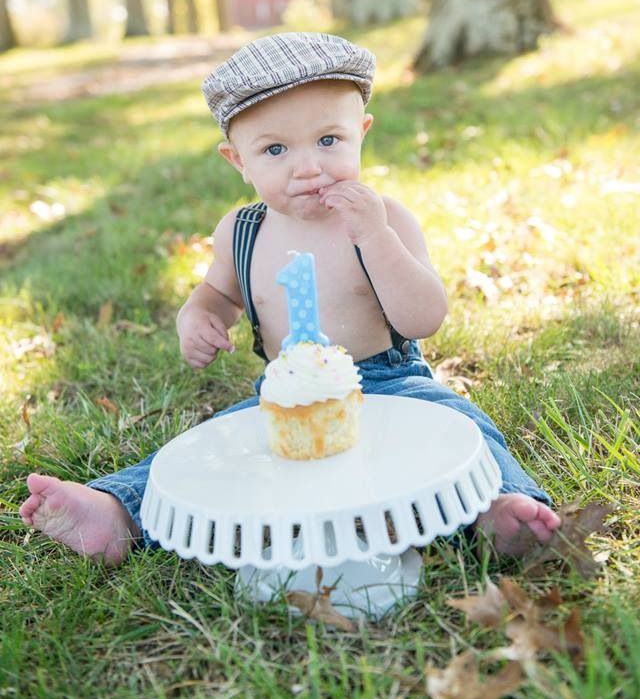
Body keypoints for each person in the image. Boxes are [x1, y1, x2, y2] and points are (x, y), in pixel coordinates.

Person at [20, 32, 560, 565]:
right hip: (285, 400)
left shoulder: (385, 219)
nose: (307, 167)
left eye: (329, 141)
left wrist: (375, 239)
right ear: (238, 161)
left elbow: (424, 318)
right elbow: (216, 294)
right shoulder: (242, 231)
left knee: (465, 427)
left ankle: (498, 510)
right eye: (275, 149)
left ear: (361, 133)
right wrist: (200, 316)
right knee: (207, 447)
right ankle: (117, 511)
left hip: (393, 383)